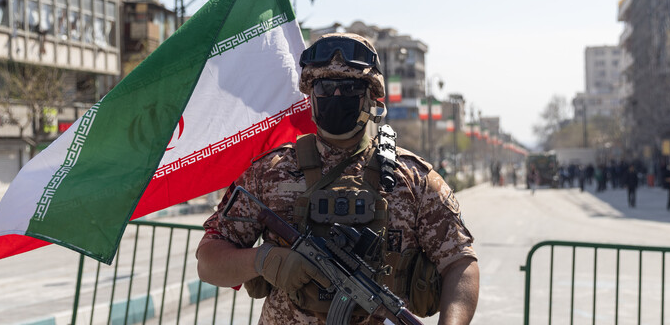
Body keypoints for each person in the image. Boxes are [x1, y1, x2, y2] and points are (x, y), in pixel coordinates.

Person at [196, 33, 479, 324]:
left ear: (371, 98)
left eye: (350, 88)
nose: (337, 96)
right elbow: (208, 261)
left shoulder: (412, 179)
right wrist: (263, 260)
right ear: (310, 97)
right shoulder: (269, 172)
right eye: (325, 88)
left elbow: (460, 263)